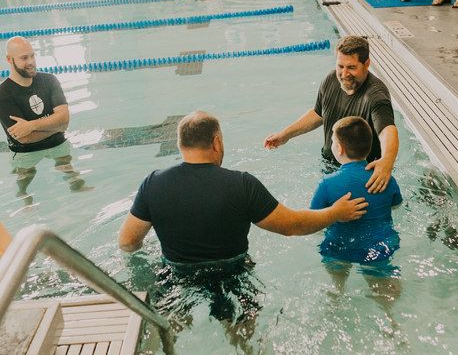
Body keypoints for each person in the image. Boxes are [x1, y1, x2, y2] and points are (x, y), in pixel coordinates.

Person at [118, 111, 368, 262]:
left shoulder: (153, 183)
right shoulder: (241, 184)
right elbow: (292, 226)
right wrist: (335, 213)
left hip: (177, 274)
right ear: (216, 142)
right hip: (232, 273)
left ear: (180, 145)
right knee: (242, 330)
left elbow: (127, 242)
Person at [264, 35, 399, 193]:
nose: (344, 74)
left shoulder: (375, 95)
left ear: (367, 64)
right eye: (340, 66)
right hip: (329, 167)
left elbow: (387, 130)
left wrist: (387, 162)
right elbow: (319, 113)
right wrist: (285, 134)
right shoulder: (330, 80)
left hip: (362, 177)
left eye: (351, 67)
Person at [0, 37, 89, 205]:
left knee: (69, 169)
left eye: (32, 56)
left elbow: (64, 119)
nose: (31, 62)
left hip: (58, 144)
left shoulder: (49, 80)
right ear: (9, 60)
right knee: (25, 177)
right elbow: (24, 138)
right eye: (24, 58)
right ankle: (23, 195)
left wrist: (31, 125)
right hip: (25, 152)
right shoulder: (3, 93)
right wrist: (57, 126)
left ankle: (76, 185)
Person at [311, 116, 402, 264]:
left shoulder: (326, 184)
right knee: (379, 276)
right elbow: (396, 205)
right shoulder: (385, 179)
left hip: (339, 247)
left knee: (336, 273)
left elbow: (313, 222)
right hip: (379, 246)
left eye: (333, 141)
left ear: (339, 148)